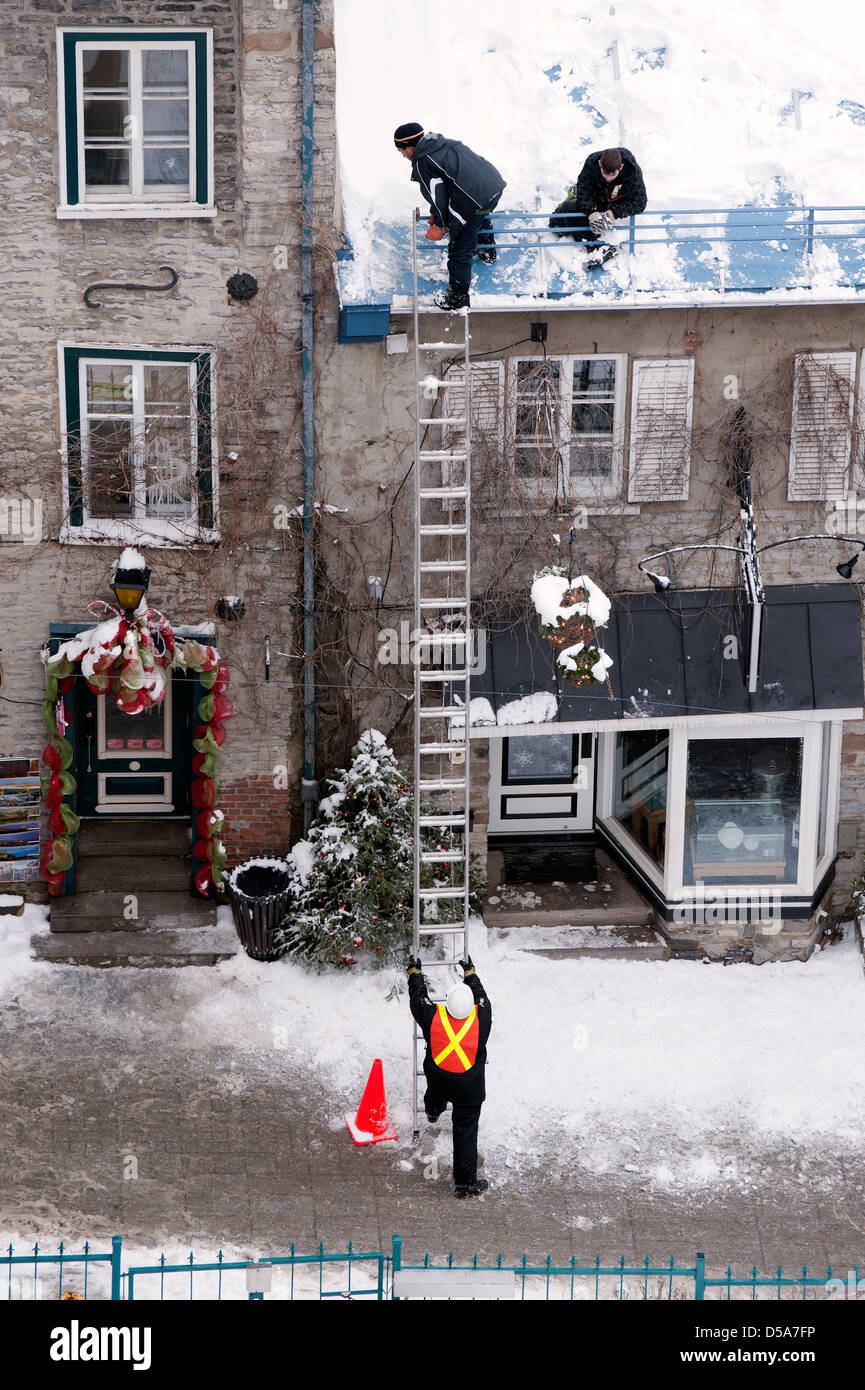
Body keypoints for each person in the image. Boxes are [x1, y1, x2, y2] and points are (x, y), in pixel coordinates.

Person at [394, 122, 506, 311]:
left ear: (410, 147)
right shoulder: (440, 143)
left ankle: (458, 297)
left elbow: (439, 197)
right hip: (493, 187)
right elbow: (447, 182)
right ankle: (487, 250)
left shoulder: (423, 161)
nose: (403, 156)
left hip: (473, 197)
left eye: (401, 151)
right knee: (479, 215)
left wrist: (440, 224)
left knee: (459, 245)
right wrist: (435, 213)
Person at [407, 953, 492, 1197]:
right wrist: (471, 975)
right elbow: (484, 998)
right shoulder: (482, 1018)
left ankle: (433, 1111)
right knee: (465, 1131)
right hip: (469, 1089)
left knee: (435, 1090)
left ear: (447, 1003)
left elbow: (419, 1000)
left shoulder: (434, 1017)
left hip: (439, 1079)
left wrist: (416, 974)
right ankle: (465, 1184)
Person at [549, 147, 647, 266]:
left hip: (616, 204)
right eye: (605, 173)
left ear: (620, 167)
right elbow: (583, 190)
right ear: (599, 163)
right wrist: (591, 212)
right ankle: (570, 226)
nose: (608, 178)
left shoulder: (633, 172)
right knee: (559, 219)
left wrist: (614, 213)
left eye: (613, 175)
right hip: (597, 200)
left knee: (571, 217)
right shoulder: (592, 162)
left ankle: (597, 247)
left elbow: (640, 202)